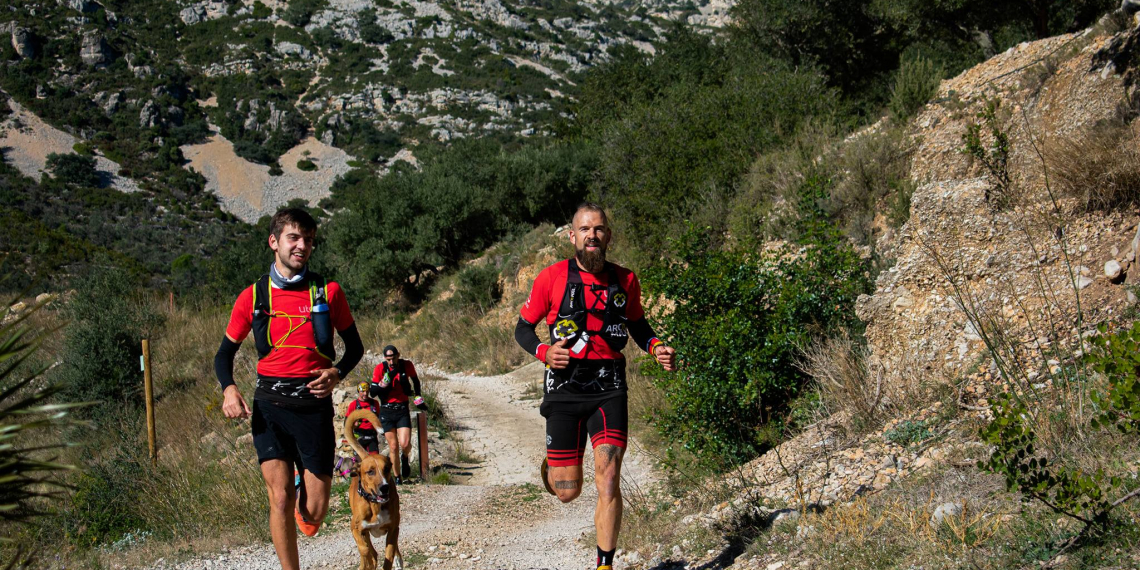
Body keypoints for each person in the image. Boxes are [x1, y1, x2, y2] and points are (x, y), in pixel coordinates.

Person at [514, 202, 676, 570]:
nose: (592, 235)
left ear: (608, 236)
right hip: (564, 387)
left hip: (609, 386)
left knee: (609, 476)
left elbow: (638, 324)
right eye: (585, 229)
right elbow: (523, 328)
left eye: (599, 229)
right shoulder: (551, 277)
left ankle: (604, 564)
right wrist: (543, 352)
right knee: (567, 491)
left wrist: (656, 347)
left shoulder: (626, 280)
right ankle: (558, 464)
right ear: (572, 236)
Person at [213, 207, 364, 570]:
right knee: (279, 499)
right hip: (270, 406)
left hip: (313, 407)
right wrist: (229, 390)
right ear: (274, 242)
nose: (302, 246)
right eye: (294, 238)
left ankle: (302, 485)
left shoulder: (328, 292)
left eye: (308, 240)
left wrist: (337, 373)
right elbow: (224, 354)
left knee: (314, 514)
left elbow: (355, 347)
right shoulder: (253, 296)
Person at [369, 344, 427, 483]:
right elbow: (373, 392)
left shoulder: (406, 365)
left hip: (402, 409)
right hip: (387, 410)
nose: (391, 362)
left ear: (398, 356)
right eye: (388, 359)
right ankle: (397, 477)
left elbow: (415, 381)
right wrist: (383, 384)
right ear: (385, 358)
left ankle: (405, 457)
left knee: (405, 444)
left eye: (393, 358)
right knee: (393, 446)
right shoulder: (380, 369)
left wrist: (418, 396)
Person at [346, 382, 382, 455]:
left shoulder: (375, 403)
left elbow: (379, 419)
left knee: (374, 459)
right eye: (362, 391)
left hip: (372, 437)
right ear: (358, 391)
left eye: (367, 391)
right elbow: (346, 423)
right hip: (359, 438)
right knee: (359, 460)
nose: (365, 394)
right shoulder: (353, 405)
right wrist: (354, 425)